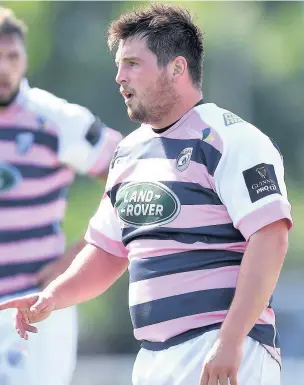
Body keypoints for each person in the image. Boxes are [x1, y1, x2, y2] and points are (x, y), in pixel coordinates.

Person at [0, 4, 293, 385]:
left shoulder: (232, 139)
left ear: (177, 67)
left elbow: (271, 237)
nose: (120, 77)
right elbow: (107, 251)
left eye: (133, 64)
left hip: (218, 347)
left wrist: (231, 338)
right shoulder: (130, 152)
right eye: (119, 65)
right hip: (154, 357)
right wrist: (52, 298)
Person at [0, 7, 122, 385]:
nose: (4, 68)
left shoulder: (56, 120)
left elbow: (129, 177)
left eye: (13, 57)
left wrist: (78, 256)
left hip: (34, 305)